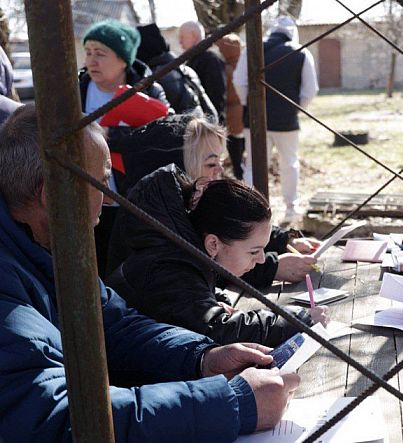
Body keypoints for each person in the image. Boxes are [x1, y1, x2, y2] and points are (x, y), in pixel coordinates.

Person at [0, 105, 299, 441]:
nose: (109, 199)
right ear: (54, 195)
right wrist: (231, 404)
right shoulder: (10, 286)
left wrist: (201, 357)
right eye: (100, 182)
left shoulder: (46, 247)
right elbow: (56, 419)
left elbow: (114, 325)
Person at [107, 166, 328, 347]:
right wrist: (297, 321)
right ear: (213, 243)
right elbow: (219, 330)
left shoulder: (182, 245)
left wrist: (214, 299)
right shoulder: (170, 265)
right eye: (254, 251)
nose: (262, 259)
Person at [105, 115, 321, 281]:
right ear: (181, 167)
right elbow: (200, 269)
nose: (220, 170)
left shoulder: (191, 200)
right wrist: (272, 267)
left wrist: (285, 240)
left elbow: (236, 224)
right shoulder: (160, 216)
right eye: (210, 163)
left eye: (220, 161)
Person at [79, 19, 171, 276]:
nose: (91, 60)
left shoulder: (149, 89)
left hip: (134, 201)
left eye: (100, 53)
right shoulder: (76, 88)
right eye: (88, 52)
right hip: (87, 200)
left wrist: (111, 135)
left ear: (123, 60)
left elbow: (166, 135)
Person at [234, 15, 319, 223]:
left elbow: (239, 81)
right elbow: (310, 90)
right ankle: (291, 208)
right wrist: (294, 109)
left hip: (255, 120)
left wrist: (249, 104)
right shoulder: (301, 52)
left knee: (253, 165)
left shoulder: (252, 49)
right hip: (286, 121)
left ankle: (250, 209)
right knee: (289, 163)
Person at [136, 23, 218, 120]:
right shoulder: (185, 69)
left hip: (187, 127)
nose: (180, 42)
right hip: (200, 125)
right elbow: (209, 110)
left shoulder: (158, 77)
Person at [179, 21, 226, 122]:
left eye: (182, 37)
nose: (180, 42)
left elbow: (216, 95)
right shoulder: (195, 60)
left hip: (209, 122)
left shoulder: (210, 60)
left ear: (194, 36)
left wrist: (211, 123)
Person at [216, 32, 245, 179]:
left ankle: (240, 177)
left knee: (235, 150)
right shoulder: (245, 67)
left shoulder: (225, 70)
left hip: (231, 113)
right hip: (245, 112)